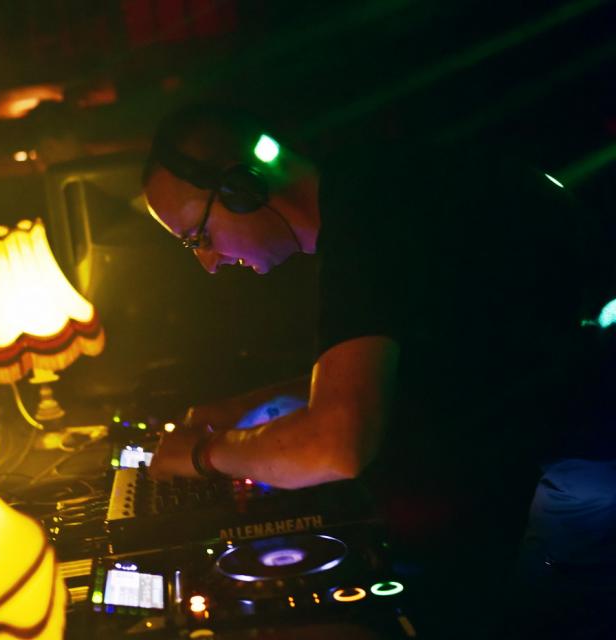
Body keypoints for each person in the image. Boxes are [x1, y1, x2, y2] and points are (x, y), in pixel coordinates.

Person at [142, 105, 611, 637]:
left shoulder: (370, 218)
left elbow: (337, 445)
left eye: (198, 236)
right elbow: (407, 369)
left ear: (240, 188)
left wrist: (204, 455)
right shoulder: (376, 186)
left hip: (590, 464)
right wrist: (243, 408)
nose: (208, 263)